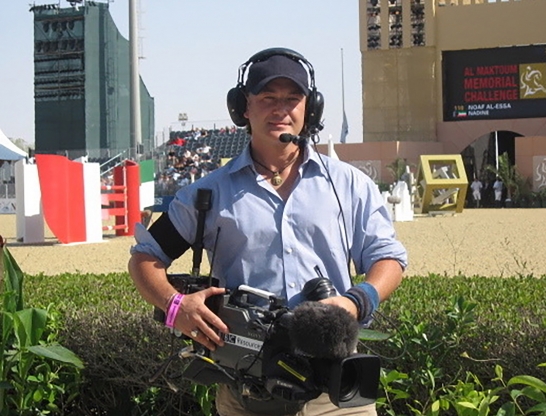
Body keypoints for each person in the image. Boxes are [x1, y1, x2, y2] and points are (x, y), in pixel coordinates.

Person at [128, 48, 407, 416]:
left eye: (293, 98)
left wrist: (356, 301)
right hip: (246, 388)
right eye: (267, 98)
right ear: (243, 107)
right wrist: (175, 306)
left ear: (311, 108)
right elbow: (144, 258)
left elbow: (388, 258)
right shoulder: (206, 194)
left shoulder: (349, 185)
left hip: (335, 390)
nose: (281, 109)